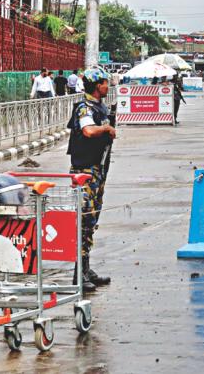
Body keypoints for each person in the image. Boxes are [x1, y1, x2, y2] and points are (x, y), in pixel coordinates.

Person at [66, 67, 115, 292]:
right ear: (97, 86)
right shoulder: (85, 108)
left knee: (92, 221)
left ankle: (86, 268)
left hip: (98, 169)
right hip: (84, 171)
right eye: (105, 82)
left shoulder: (99, 107)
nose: (108, 86)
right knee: (84, 220)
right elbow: (87, 131)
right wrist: (105, 128)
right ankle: (79, 273)